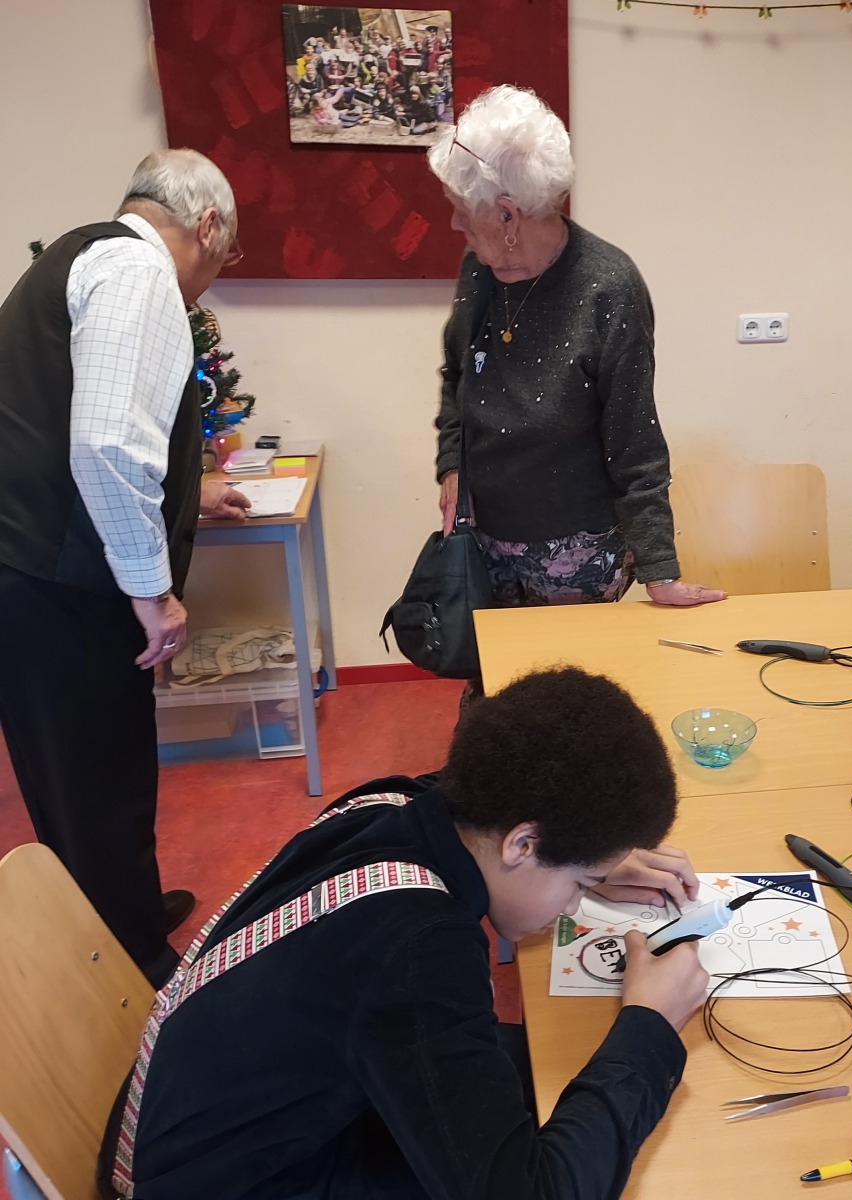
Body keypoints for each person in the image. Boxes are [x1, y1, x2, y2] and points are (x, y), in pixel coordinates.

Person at [100, 666, 709, 1199]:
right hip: (222, 1181)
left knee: (553, 1064)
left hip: (194, 1114)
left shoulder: (394, 801)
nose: (577, 904)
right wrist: (650, 1026)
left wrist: (593, 857)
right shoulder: (420, 950)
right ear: (522, 844)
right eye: (580, 883)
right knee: (600, 1104)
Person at [0, 149, 249, 988]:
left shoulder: (81, 255)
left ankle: (121, 916)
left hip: (23, 570)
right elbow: (107, 445)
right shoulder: (140, 273)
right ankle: (135, 971)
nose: (209, 282)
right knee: (101, 783)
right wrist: (154, 593)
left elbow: (72, 422)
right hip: (61, 584)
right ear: (206, 225)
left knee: (68, 780)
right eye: (223, 258)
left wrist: (189, 492)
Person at [427, 86, 725, 696]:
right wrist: (451, 465)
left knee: (566, 710)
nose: (454, 221)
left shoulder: (607, 288)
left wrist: (660, 569)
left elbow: (635, 440)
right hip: (482, 542)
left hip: (576, 559)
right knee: (492, 701)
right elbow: (457, 377)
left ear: (507, 215)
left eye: (461, 207)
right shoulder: (478, 269)